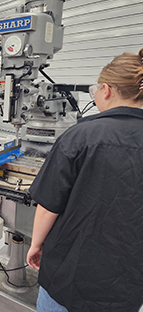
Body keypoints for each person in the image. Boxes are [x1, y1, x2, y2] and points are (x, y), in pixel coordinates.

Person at [26, 48, 143, 312]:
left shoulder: (80, 136)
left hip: (70, 277)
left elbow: (48, 206)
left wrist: (35, 244)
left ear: (107, 90)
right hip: (126, 284)